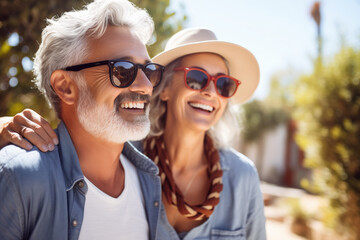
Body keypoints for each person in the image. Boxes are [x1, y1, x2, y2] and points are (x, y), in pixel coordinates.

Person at [1, 28, 267, 239]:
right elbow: (77, 127)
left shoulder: (242, 176)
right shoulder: (124, 156)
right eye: (196, 78)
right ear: (163, 88)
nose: (210, 92)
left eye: (224, 84)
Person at [0, 0, 165, 239]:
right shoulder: (17, 178)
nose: (146, 86)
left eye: (149, 71)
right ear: (65, 86)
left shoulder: (151, 181)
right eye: (122, 69)